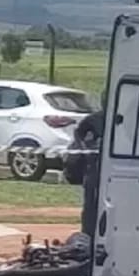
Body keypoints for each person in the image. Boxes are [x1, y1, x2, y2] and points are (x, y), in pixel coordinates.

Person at [62, 93, 105, 239]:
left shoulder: (122, 118)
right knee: (91, 203)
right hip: (95, 166)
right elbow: (78, 132)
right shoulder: (95, 118)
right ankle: (88, 233)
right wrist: (85, 149)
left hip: (114, 168)